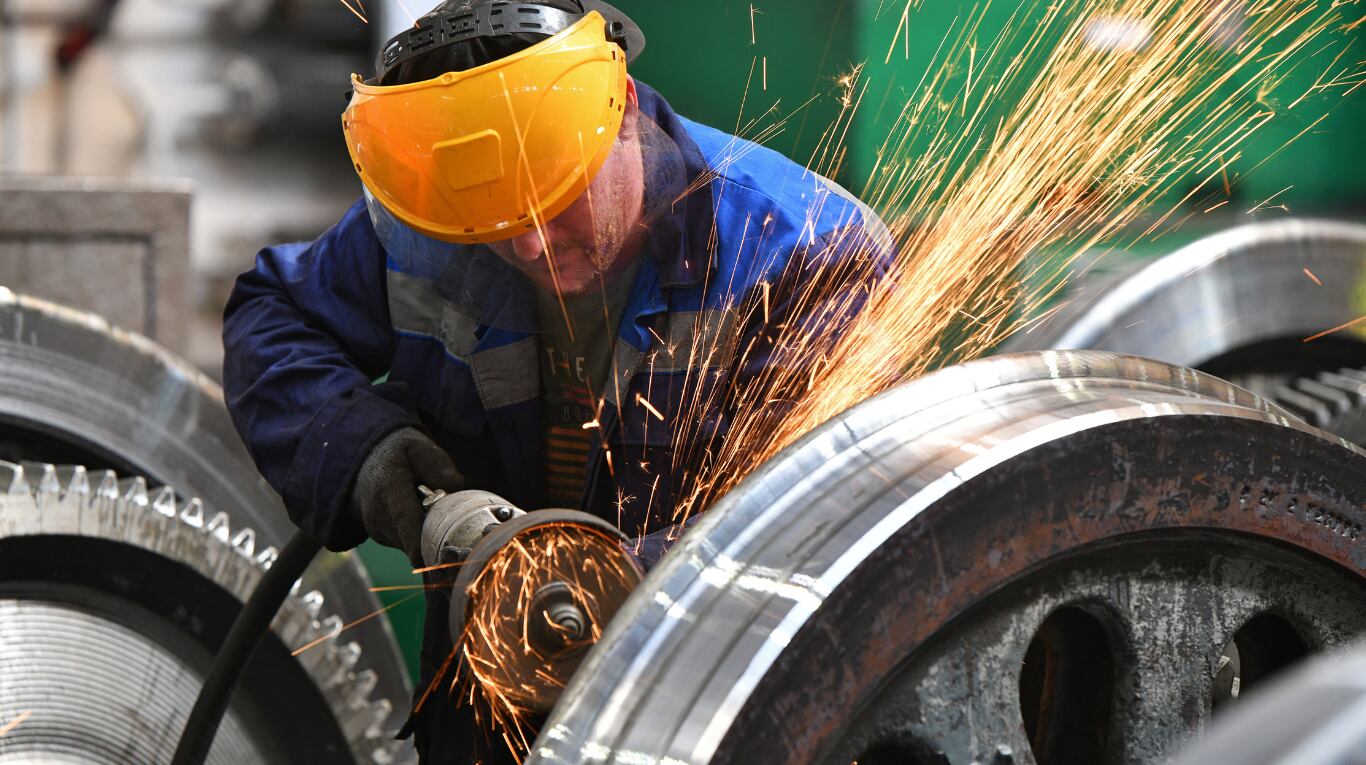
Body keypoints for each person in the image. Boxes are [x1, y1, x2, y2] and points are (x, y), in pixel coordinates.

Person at [221, 0, 889, 760]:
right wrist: (368, 455)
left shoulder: (800, 252)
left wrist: (598, 578)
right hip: (484, 726)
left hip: (711, 728)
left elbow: (827, 525)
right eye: (498, 214)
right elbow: (271, 318)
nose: (531, 245)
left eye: (556, 192)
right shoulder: (436, 229)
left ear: (622, 110)